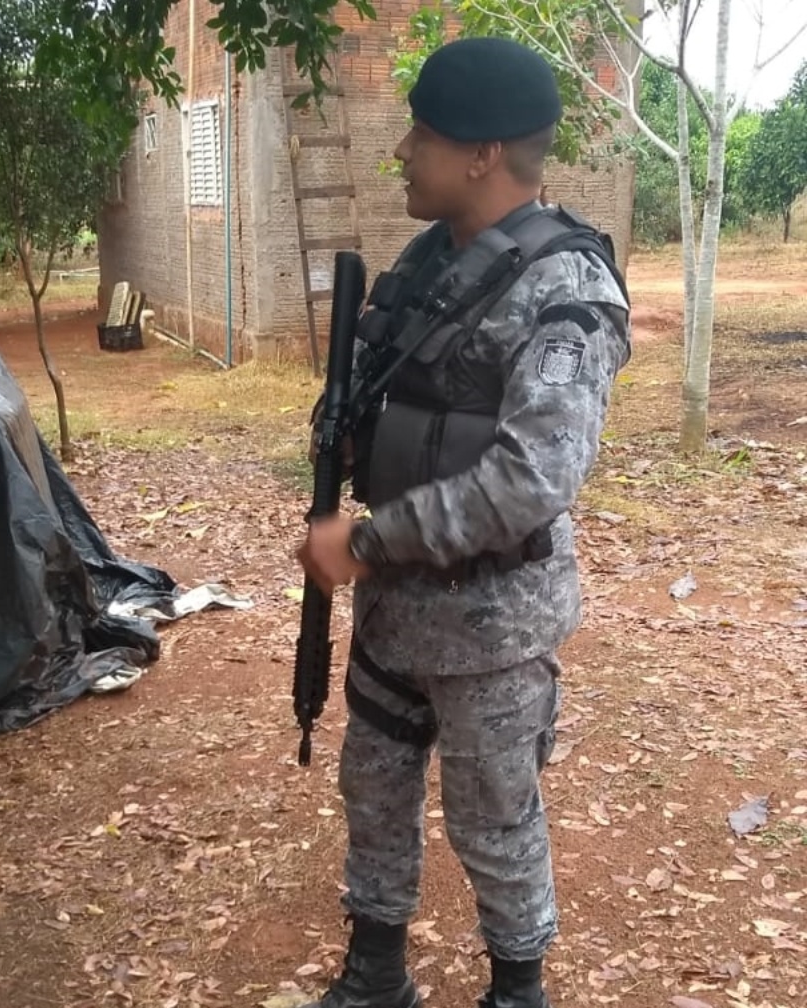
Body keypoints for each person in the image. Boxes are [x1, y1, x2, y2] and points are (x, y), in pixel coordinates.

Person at [295, 35, 632, 1008]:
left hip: (491, 629)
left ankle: (517, 988)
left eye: (424, 134)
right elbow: (384, 393)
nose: (403, 150)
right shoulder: (431, 261)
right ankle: (376, 974)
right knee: (374, 792)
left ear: (482, 154)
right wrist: (343, 440)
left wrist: (365, 542)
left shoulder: (565, 291)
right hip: (396, 617)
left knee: (494, 819)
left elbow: (531, 479)